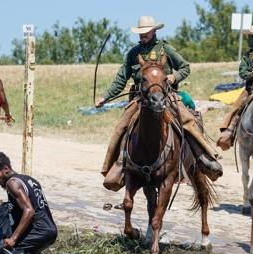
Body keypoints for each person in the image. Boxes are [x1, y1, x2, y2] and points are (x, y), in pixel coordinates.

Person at [95, 16, 222, 190]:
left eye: (145, 32)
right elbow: (120, 80)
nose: (142, 36)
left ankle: (206, 158)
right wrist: (105, 97)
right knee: (121, 126)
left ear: (154, 31)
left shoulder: (165, 49)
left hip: (166, 96)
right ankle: (114, 167)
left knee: (188, 121)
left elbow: (185, 67)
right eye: (140, 33)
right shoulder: (133, 53)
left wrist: (173, 77)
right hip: (141, 98)